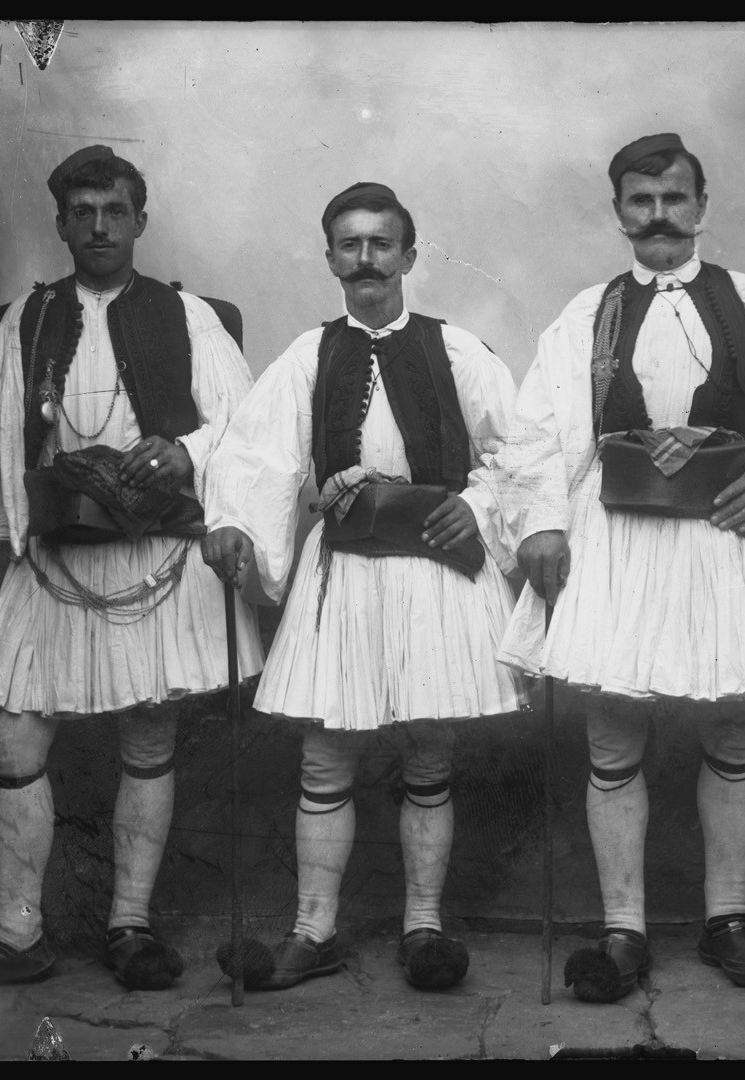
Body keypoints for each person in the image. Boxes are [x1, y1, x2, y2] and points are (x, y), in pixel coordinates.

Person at [497, 133, 745, 1002]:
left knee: (731, 727)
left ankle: (727, 919)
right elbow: (537, 429)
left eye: (673, 198)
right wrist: (541, 523)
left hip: (722, 536)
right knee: (613, 728)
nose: (658, 215)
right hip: (618, 536)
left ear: (701, 206)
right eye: (641, 200)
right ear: (619, 212)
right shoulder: (587, 314)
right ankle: (622, 930)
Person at [0, 145, 262, 990]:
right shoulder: (27, 320)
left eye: (114, 211)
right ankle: (18, 931)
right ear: (61, 224)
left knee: (148, 734)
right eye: (83, 213)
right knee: (13, 734)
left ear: (140, 219)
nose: (99, 227)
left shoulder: (191, 318)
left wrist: (185, 452)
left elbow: (247, 424)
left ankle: (130, 927)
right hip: (57, 560)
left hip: (156, 557)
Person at [201, 182, 525, 992]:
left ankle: (424, 928)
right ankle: (313, 930)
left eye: (381, 244)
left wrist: (478, 507)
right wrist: (235, 522)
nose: (366, 259)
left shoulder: (458, 350)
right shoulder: (308, 356)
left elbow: (518, 450)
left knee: (427, 745)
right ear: (331, 260)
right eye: (350, 245)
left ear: (409, 256)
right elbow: (259, 454)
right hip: (344, 566)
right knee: (325, 751)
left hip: (433, 567)